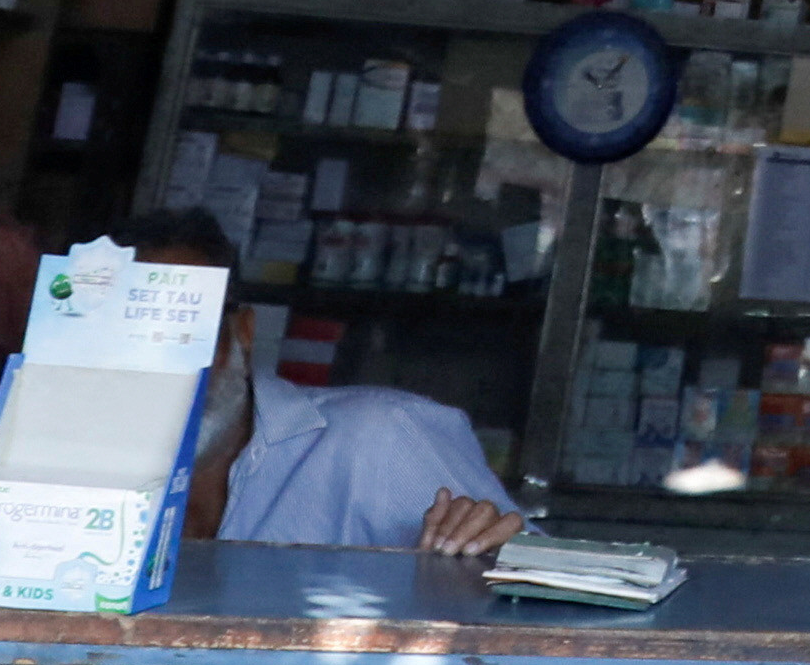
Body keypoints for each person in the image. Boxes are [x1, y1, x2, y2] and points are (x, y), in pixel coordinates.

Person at [113, 210, 531, 558]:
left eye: (187, 330)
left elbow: (550, 588)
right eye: (126, 337)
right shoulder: (69, 463)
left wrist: (488, 556)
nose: (163, 366)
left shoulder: (378, 438)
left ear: (243, 332)